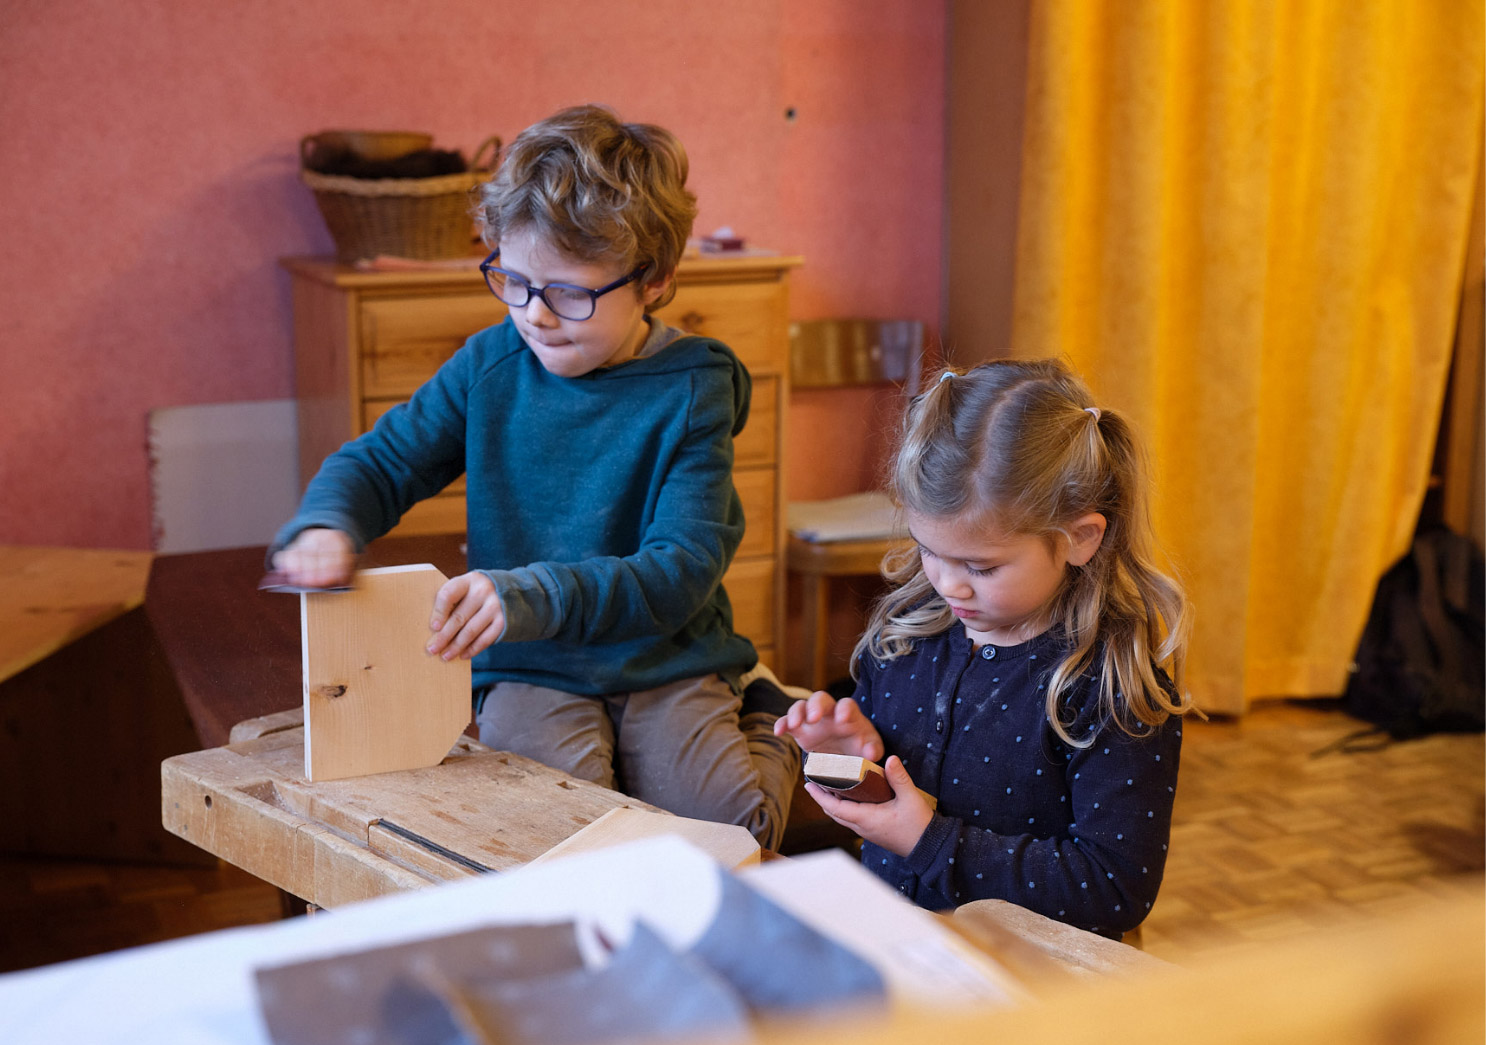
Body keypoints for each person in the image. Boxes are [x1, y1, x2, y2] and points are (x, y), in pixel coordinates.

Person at [269, 105, 797, 848]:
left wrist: (528, 593)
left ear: (655, 280)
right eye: (512, 280)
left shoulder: (694, 389)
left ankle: (770, 716)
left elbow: (680, 572)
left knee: (731, 838)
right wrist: (329, 522)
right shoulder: (490, 367)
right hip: (531, 658)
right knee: (562, 836)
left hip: (667, 653)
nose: (535, 315)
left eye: (570, 293)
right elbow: (381, 461)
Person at [774, 359, 1194, 935]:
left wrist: (931, 841)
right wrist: (854, 756)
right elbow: (887, 803)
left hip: (1033, 979)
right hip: (898, 943)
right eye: (929, 550)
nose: (948, 586)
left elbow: (1115, 886)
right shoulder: (906, 634)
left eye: (981, 566)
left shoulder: (1113, 688)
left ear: (1079, 538)